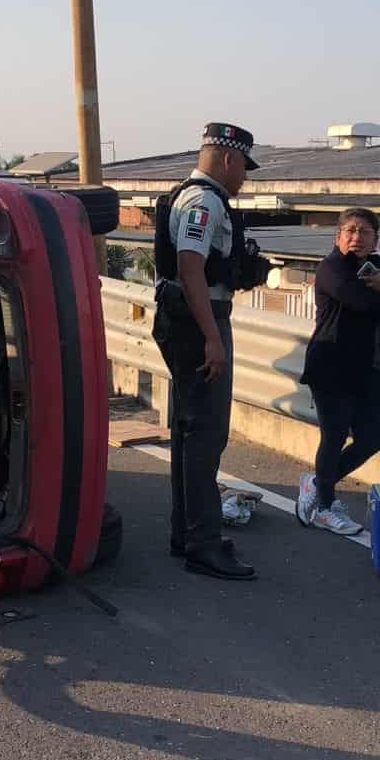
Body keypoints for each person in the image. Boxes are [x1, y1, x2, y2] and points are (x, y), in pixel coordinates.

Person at [152, 122, 262, 580]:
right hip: (199, 322)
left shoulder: (192, 195)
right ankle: (202, 544)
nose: (244, 180)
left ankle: (189, 533)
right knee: (206, 434)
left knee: (188, 430)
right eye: (243, 170)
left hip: (185, 319)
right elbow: (191, 267)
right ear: (229, 160)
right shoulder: (204, 200)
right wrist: (212, 337)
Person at [295, 207, 380, 534]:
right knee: (333, 436)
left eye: (364, 231)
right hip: (330, 365)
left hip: (366, 368)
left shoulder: (376, 266)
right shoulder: (331, 268)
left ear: (375, 239)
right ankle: (323, 505)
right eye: (350, 230)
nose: (356, 236)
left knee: (370, 439)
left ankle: (319, 483)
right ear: (338, 236)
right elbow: (363, 302)